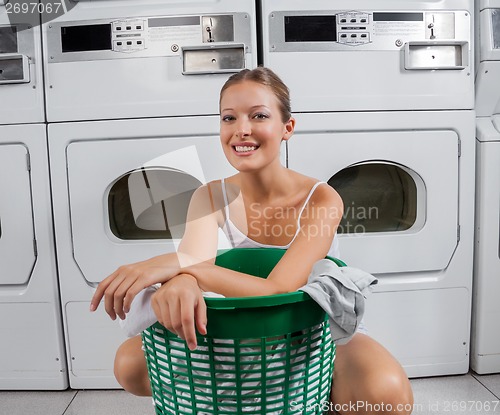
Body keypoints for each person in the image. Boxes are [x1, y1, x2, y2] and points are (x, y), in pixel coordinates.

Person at [90, 67, 414, 414]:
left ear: (287, 127)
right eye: (229, 118)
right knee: (130, 364)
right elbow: (196, 267)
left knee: (386, 395)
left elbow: (278, 290)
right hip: (233, 329)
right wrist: (183, 278)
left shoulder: (321, 199)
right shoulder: (210, 196)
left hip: (313, 332)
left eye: (258, 115)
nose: (241, 129)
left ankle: (313, 397)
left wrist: (178, 266)